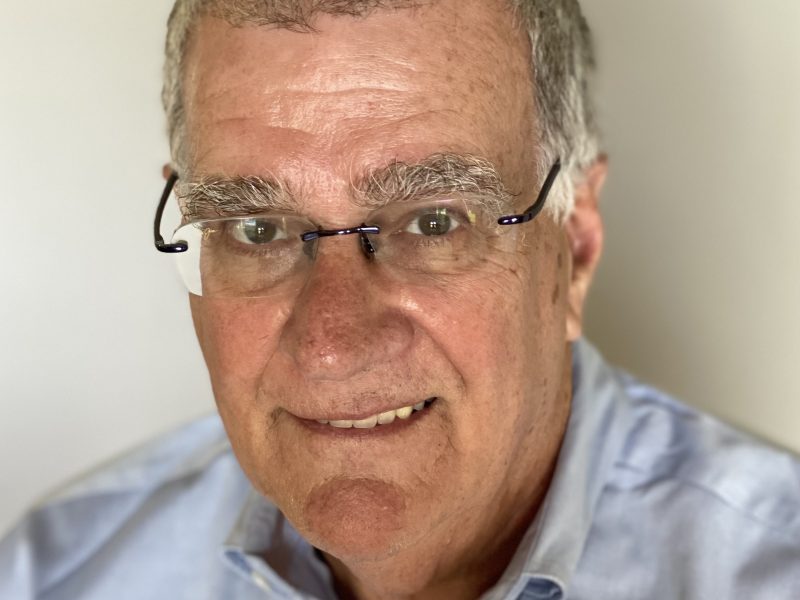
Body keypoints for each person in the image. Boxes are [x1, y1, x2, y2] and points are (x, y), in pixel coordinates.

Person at [1, 0, 798, 598]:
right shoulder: (59, 574)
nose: (330, 345)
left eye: (432, 221)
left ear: (576, 247)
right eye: (256, 228)